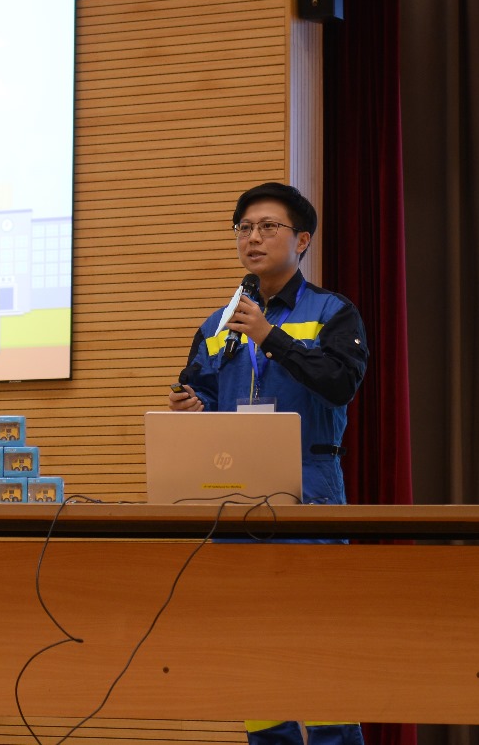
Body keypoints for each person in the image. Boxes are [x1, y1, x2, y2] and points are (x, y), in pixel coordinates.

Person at [167, 181, 369, 745]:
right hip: (234, 497)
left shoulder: (333, 312)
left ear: (302, 240)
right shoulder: (217, 324)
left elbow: (340, 383)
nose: (253, 238)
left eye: (268, 227)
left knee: (317, 642)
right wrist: (191, 404)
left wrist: (269, 336)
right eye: (244, 228)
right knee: (250, 644)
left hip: (310, 493)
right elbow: (201, 391)